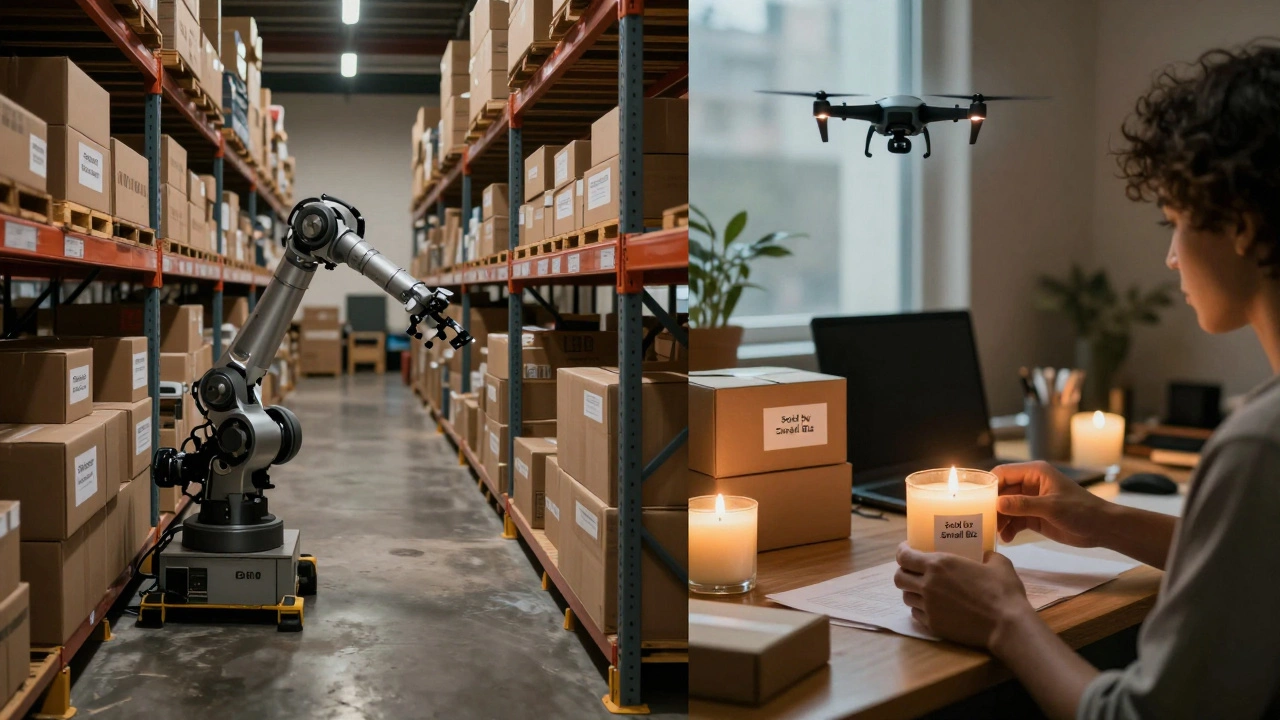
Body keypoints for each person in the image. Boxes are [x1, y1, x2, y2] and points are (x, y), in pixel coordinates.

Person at [894, 43, 1280, 720]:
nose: (1169, 256)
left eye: (1175, 222)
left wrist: (1004, 621)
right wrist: (1101, 519)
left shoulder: (1258, 446)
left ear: (1242, 226)